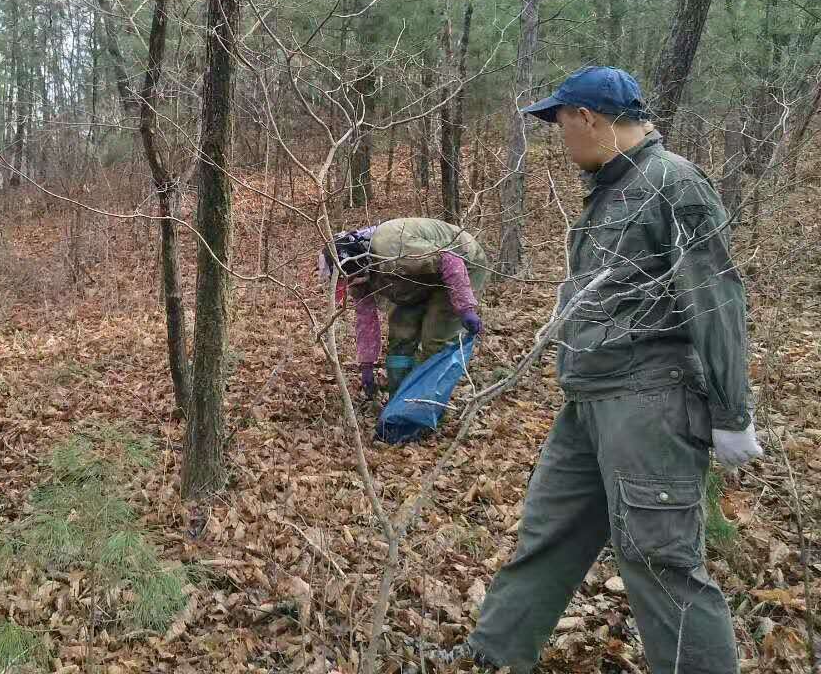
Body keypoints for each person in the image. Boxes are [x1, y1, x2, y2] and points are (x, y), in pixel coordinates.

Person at [436, 66, 761, 673]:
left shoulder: (674, 184)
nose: (560, 139)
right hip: (589, 400)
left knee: (659, 562)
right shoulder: (614, 185)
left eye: (561, 124)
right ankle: (494, 656)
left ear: (588, 118)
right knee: (549, 531)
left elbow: (716, 302)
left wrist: (731, 410)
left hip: (649, 403)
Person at [320, 218, 487, 400]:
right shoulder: (358, 277)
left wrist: (465, 307)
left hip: (462, 261)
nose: (350, 285)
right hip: (418, 276)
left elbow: (449, 260)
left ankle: (423, 405)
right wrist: (366, 364)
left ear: (355, 266)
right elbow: (366, 320)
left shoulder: (390, 247)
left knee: (436, 339)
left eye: (347, 280)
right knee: (400, 336)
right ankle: (399, 400)